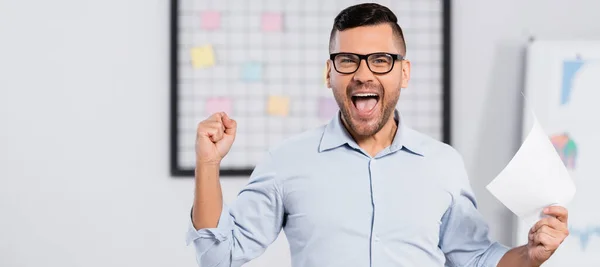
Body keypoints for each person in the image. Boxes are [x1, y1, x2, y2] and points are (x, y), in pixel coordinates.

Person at [185, 3, 569, 267]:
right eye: (347, 60)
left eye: (380, 60)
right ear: (329, 73)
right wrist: (207, 164)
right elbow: (220, 257)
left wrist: (529, 256)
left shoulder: (442, 163)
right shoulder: (286, 162)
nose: (363, 74)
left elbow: (476, 258)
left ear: (403, 72)